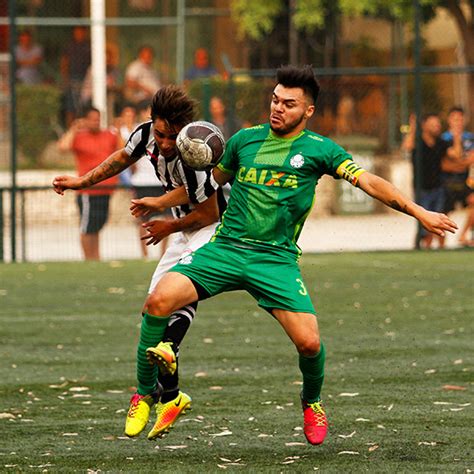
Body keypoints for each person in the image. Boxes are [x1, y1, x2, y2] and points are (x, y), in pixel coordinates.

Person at [138, 65, 457, 446]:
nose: (278, 108)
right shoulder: (244, 141)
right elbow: (206, 187)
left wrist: (419, 211)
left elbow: (369, 181)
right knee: (157, 302)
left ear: (307, 111)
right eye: (275, 100)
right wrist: (175, 179)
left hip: (275, 261)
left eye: (289, 104)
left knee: (309, 343)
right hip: (225, 249)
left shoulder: (320, 150)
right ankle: (145, 394)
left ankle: (312, 401)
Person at [53, 85, 227, 440]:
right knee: (153, 310)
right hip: (181, 229)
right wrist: (81, 182)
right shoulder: (145, 133)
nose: (165, 142)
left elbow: (208, 211)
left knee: (177, 295)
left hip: (210, 229)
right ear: (153, 122)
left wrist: (165, 217)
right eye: (161, 134)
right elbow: (121, 158)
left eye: (172, 136)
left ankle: (161, 369)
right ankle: (171, 396)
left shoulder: (193, 153)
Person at [57, 107, 119, 260]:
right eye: (92, 118)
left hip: (106, 190)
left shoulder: (109, 135)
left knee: (96, 226)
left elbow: (123, 150)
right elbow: (63, 147)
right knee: (87, 227)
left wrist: (118, 129)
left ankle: (95, 257)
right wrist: (74, 128)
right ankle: (88, 258)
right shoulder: (79, 136)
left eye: (98, 118)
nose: (96, 122)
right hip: (88, 193)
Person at [401, 113, 448, 249]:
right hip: (422, 189)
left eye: (438, 125)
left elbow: (454, 155)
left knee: (440, 220)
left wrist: (456, 133)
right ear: (425, 126)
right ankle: (422, 247)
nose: (436, 127)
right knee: (424, 222)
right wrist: (413, 128)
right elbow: (406, 147)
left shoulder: (440, 142)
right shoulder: (417, 141)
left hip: (438, 187)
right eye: (433, 124)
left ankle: (440, 249)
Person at [440, 106, 474, 246]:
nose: (458, 122)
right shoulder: (444, 139)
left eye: (460, 119)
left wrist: (458, 163)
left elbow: (470, 159)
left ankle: (463, 235)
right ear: (449, 120)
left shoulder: (470, 138)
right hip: (447, 181)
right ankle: (441, 244)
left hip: (464, 181)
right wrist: (456, 138)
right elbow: (449, 160)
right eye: (455, 119)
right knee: (443, 213)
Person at [60, 26, 91, 127]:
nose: (79, 34)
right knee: (71, 106)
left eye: (81, 32)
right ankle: (70, 130)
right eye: (77, 32)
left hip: (86, 79)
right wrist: (65, 77)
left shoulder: (89, 46)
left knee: (84, 106)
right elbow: (64, 62)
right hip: (72, 78)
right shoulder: (69, 46)